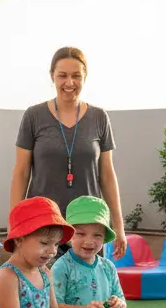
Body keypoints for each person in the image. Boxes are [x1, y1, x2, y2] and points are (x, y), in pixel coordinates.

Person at [10, 46, 127, 259]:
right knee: (42, 290)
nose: (69, 83)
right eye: (62, 75)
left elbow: (108, 176)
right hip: (43, 226)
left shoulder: (99, 117)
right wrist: (16, 225)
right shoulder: (33, 116)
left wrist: (119, 227)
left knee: (90, 290)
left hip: (88, 226)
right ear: (52, 76)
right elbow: (21, 173)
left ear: (85, 78)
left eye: (76, 76)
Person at [0, 196, 85, 308]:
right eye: (44, 243)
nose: (52, 250)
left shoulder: (44, 273)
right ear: (19, 240)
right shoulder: (8, 276)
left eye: (56, 244)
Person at [52, 195, 127, 308]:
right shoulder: (62, 267)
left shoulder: (108, 267)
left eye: (97, 235)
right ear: (69, 235)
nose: (89, 241)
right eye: (81, 234)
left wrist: (119, 305)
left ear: (104, 238)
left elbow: (121, 299)